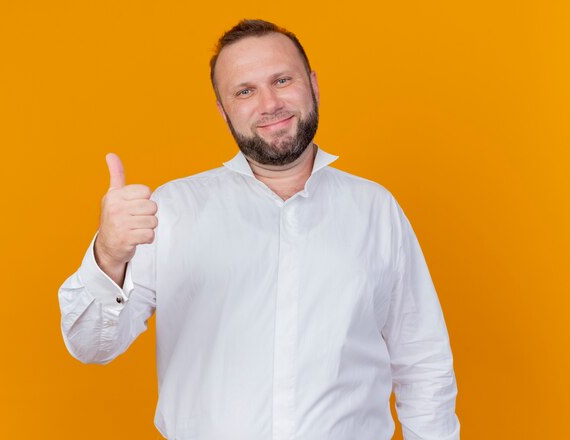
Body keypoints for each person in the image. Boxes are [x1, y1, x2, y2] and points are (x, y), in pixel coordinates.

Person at [58, 19, 460, 440]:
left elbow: (422, 362)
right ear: (223, 108)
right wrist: (108, 256)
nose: (269, 103)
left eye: (282, 80)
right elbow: (92, 346)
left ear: (313, 84)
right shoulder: (172, 210)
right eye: (245, 91)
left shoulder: (376, 210)